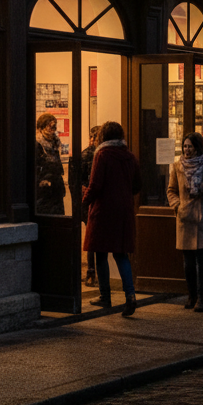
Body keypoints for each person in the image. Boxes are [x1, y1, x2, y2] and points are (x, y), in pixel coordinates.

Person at [82, 120, 142, 315]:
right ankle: (130, 296)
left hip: (104, 211)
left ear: (103, 136)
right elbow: (137, 185)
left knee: (100, 253)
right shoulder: (130, 156)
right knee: (121, 254)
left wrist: (83, 201)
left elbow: (95, 185)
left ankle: (105, 296)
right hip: (124, 212)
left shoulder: (102, 154)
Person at [167, 131, 203, 312]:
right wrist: (177, 205)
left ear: (198, 147)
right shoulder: (177, 166)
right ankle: (191, 295)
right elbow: (171, 190)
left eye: (190, 146)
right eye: (184, 146)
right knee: (188, 263)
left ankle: (202, 298)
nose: (187, 150)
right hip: (185, 218)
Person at [35, 112, 66, 215]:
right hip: (44, 189)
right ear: (41, 128)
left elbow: (57, 165)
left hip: (56, 187)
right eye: (49, 126)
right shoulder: (37, 144)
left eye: (54, 126)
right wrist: (41, 181)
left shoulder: (55, 143)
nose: (53, 129)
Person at [81, 125, 101, 286]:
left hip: (93, 200)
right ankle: (91, 271)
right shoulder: (87, 155)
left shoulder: (101, 155)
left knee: (94, 237)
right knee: (91, 237)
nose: (93, 140)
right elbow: (78, 180)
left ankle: (93, 272)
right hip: (88, 201)